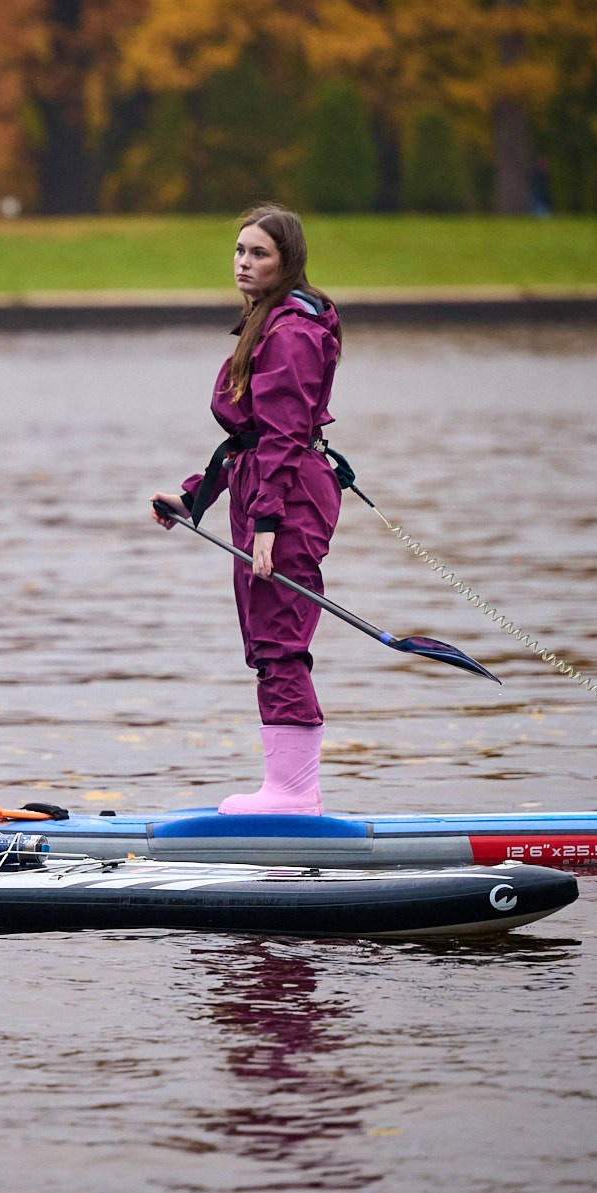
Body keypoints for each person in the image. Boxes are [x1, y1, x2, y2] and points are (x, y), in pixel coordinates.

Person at [151, 204, 342, 814]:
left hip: (287, 500)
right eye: (239, 251)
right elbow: (252, 441)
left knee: (279, 639)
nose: (243, 262)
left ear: (287, 262)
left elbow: (284, 437)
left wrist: (266, 524)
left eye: (258, 253)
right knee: (265, 641)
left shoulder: (291, 332)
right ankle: (288, 789)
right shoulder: (270, 322)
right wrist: (194, 496)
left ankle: (291, 794)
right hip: (268, 486)